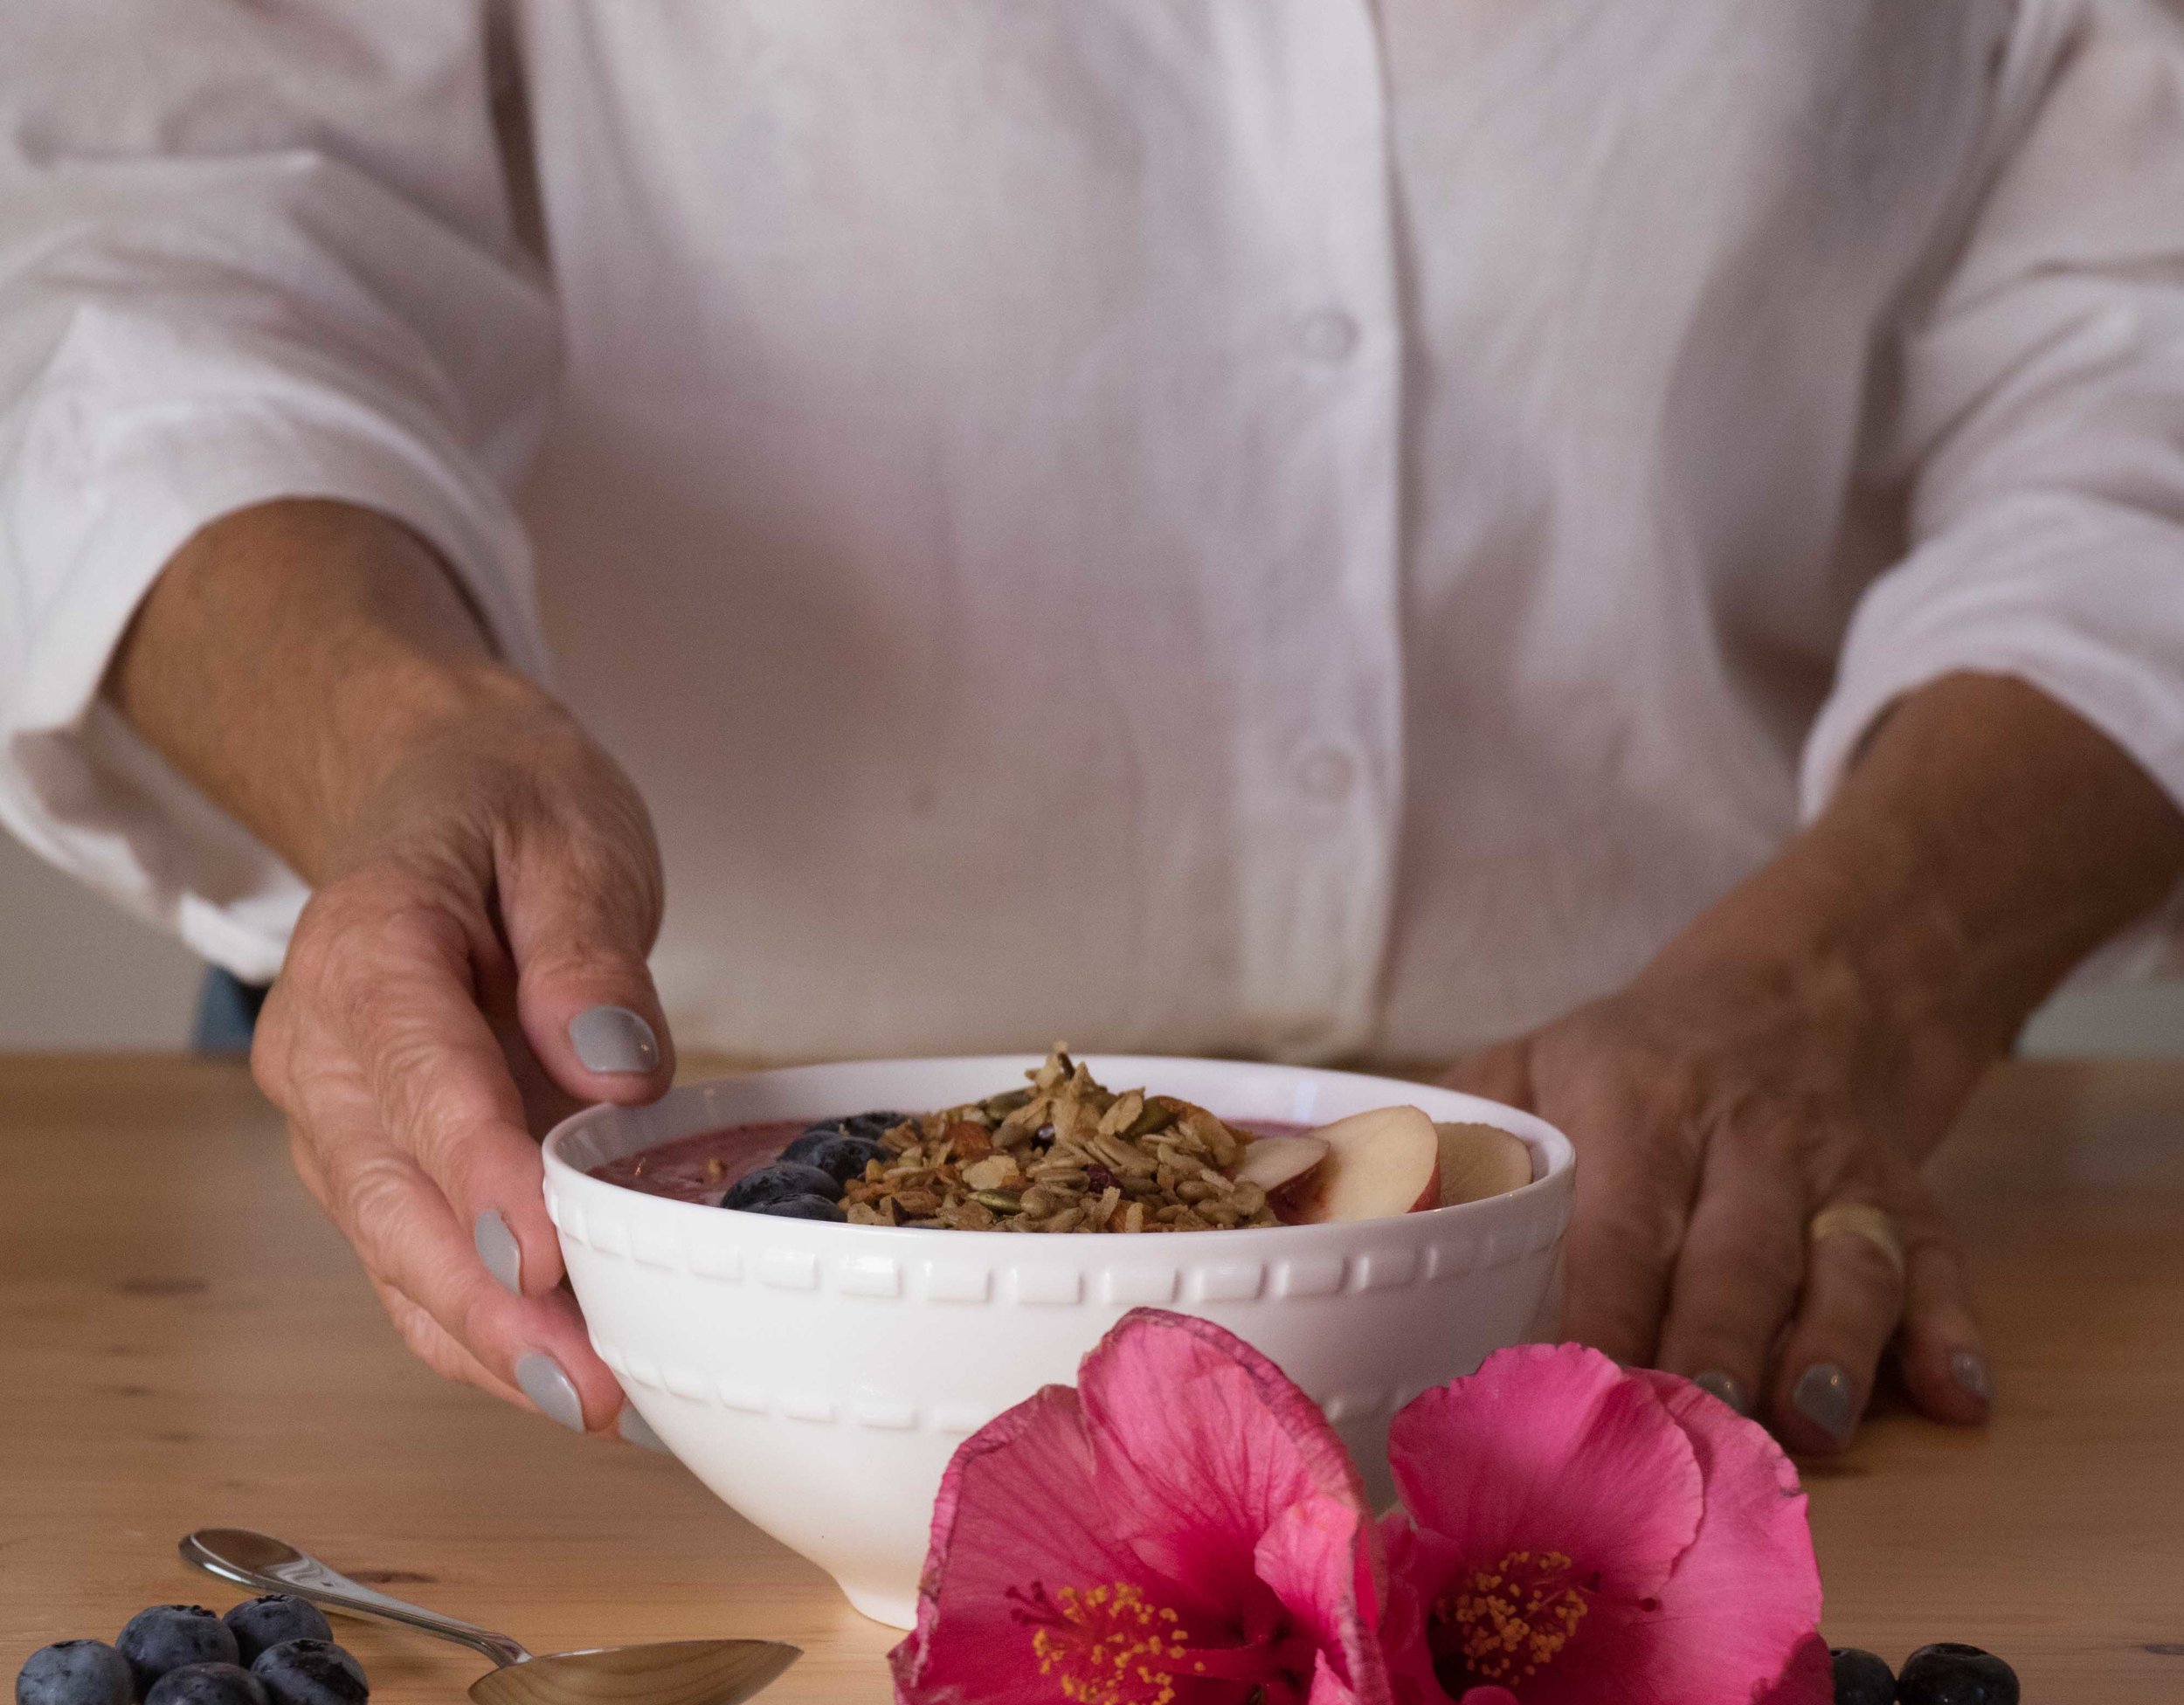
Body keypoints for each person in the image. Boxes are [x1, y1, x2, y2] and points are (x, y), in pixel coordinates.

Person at [3, 4, 2181, 1464]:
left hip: (1708, 1203)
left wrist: (1850, 972)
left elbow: (2137, 334)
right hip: (614, 1223)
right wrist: (399, 730)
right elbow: (173, 218)